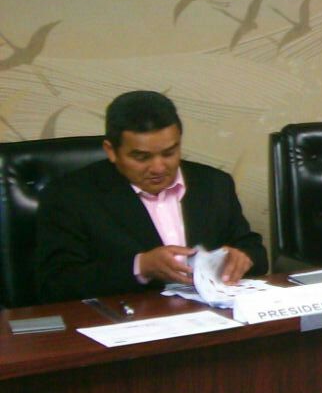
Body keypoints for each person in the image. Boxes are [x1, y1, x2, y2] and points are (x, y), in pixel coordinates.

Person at [33, 90, 267, 300]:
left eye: (169, 153)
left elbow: (254, 251)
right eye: (142, 157)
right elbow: (56, 283)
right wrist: (140, 267)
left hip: (211, 317)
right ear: (111, 151)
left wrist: (242, 258)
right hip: (125, 321)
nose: (158, 168)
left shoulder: (214, 184)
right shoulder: (70, 196)